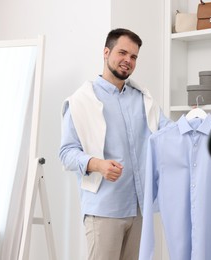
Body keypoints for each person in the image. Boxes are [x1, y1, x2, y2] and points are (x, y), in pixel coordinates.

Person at [59, 28, 171, 260]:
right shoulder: (81, 101)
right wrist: (97, 164)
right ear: (106, 52)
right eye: (122, 53)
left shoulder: (143, 99)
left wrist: (195, 122)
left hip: (140, 208)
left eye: (133, 57)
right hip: (104, 209)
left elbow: (169, 132)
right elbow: (67, 152)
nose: (127, 61)